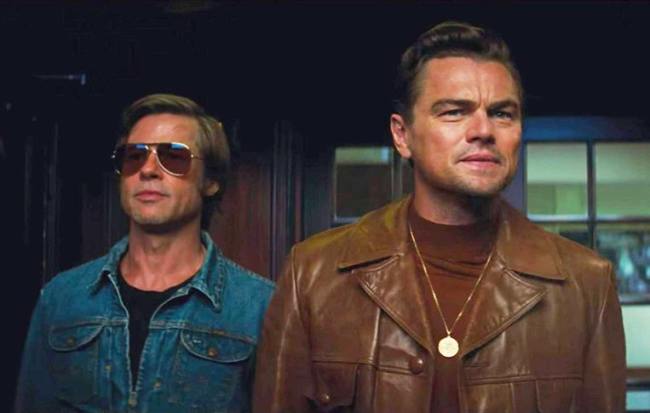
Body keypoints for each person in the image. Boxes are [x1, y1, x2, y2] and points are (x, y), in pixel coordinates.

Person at [253, 22, 626, 412]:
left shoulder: (586, 283)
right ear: (402, 135)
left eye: (502, 114)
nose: (483, 130)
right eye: (454, 112)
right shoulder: (313, 273)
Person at [15, 94, 274, 412]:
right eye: (134, 156)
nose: (148, 169)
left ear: (210, 181)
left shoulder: (259, 307)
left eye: (174, 156)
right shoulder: (61, 298)